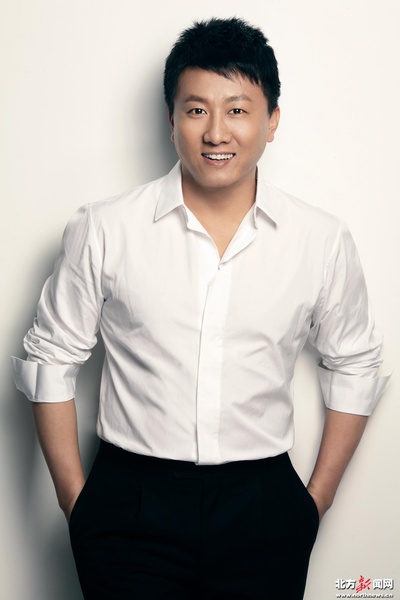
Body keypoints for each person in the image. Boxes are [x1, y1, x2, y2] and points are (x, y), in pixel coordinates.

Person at [12, 17, 389, 600]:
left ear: (272, 120)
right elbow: (50, 358)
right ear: (171, 121)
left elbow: (357, 363)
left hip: (263, 504)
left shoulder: (320, 240)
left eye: (238, 109)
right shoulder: (105, 228)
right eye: (196, 110)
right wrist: (76, 503)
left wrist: (314, 503)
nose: (216, 132)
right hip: (129, 503)